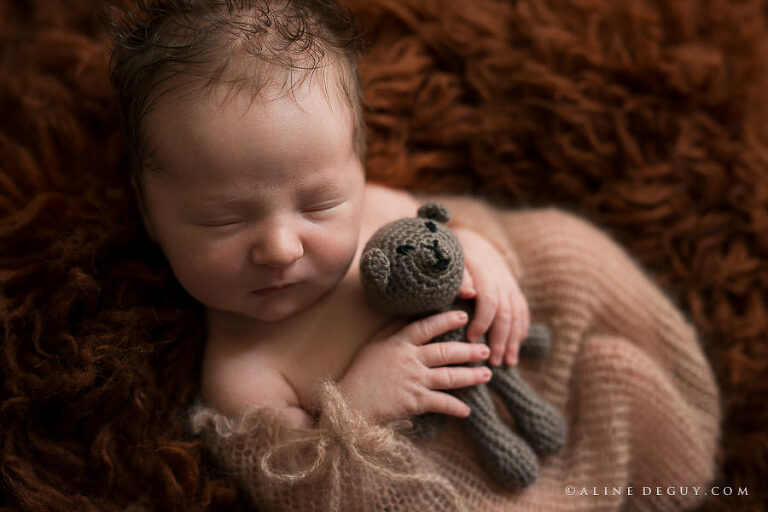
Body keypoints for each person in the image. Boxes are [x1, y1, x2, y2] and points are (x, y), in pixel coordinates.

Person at [108, 1, 720, 510]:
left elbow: (449, 229)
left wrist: (485, 255)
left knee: (566, 255)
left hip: (530, 364)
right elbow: (303, 485)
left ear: (357, 171)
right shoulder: (242, 373)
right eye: (224, 219)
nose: (279, 248)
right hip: (476, 475)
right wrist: (357, 408)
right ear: (149, 212)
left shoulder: (376, 207)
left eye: (320, 204)